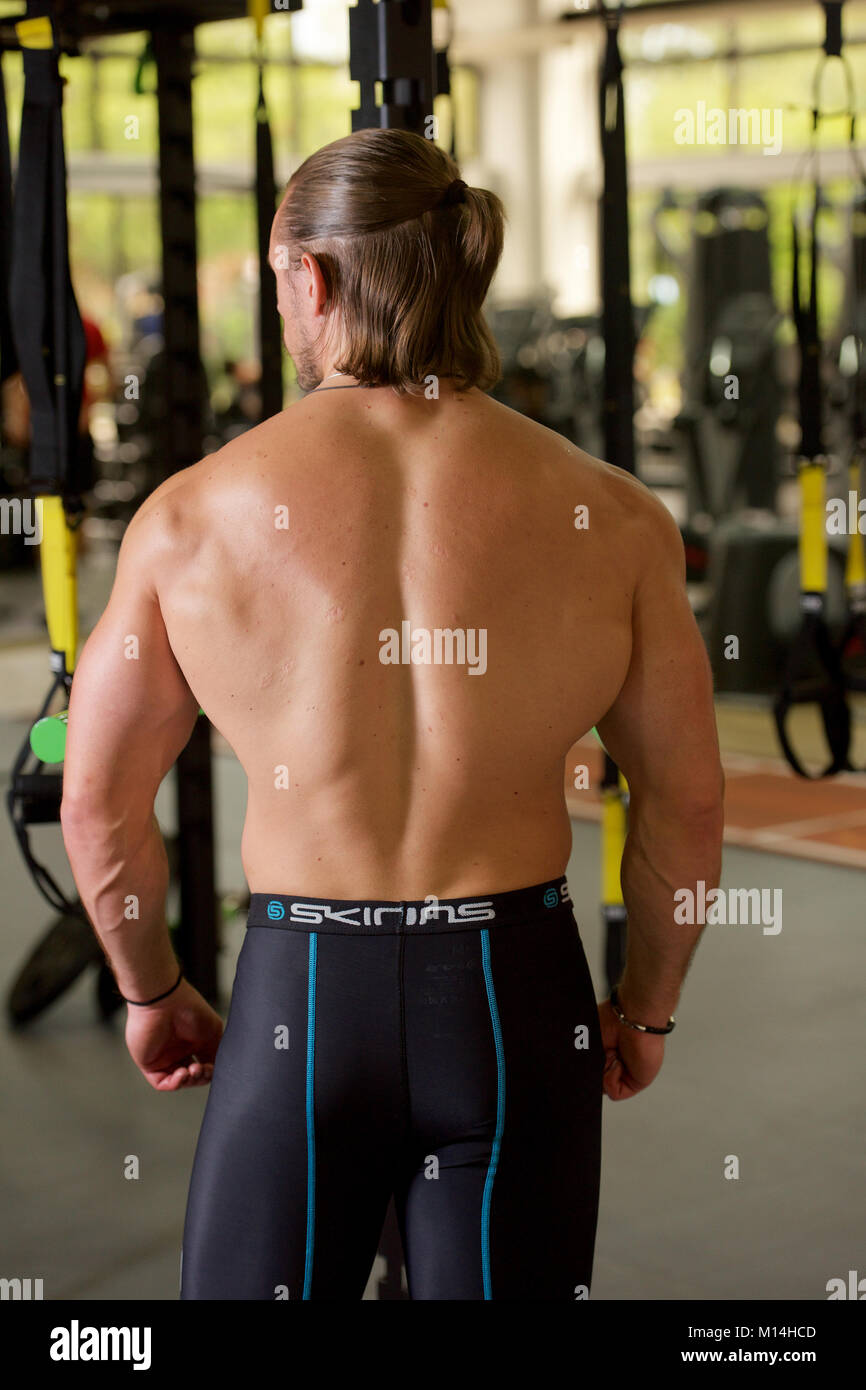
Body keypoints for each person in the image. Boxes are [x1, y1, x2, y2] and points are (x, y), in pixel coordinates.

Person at [60, 128, 724, 1301]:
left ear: (307, 280)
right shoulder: (614, 517)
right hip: (513, 999)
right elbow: (686, 800)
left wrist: (153, 989)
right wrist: (644, 1008)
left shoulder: (188, 519)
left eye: (275, 285)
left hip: (300, 999)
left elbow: (98, 803)